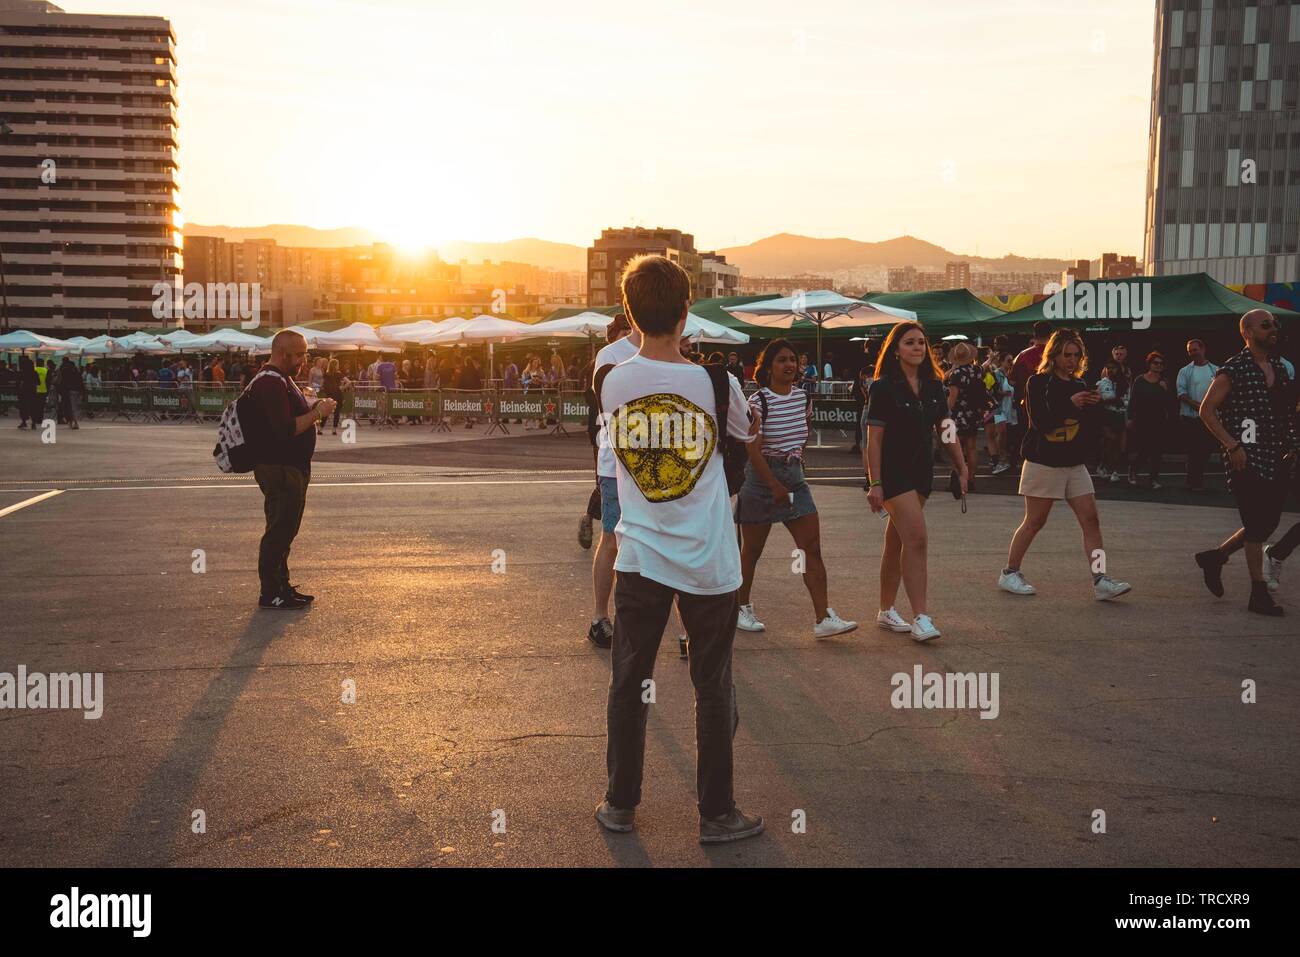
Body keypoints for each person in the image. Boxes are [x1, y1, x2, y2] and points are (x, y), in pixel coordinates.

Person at [595, 253, 763, 844]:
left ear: (627, 313)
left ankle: (620, 803)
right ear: (687, 311)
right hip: (710, 558)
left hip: (639, 554)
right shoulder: (718, 384)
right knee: (712, 686)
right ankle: (717, 813)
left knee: (628, 681)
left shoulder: (611, 382)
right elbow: (745, 434)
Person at [734, 338, 857, 640]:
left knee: (811, 547)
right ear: (769, 367)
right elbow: (753, 450)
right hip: (762, 479)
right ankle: (741, 608)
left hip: (793, 479)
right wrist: (774, 484)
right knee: (751, 552)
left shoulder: (803, 398)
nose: (790, 365)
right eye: (782, 360)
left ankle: (823, 617)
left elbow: (802, 434)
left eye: (793, 360)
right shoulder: (757, 402)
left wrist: (796, 463)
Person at [998, 329, 1131, 601]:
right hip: (1043, 461)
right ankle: (1010, 572)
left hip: (1073, 463)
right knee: (1035, 521)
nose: (1071, 360)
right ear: (1054, 355)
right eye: (1066, 355)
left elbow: (1090, 426)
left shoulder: (1080, 385)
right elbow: (1042, 423)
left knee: (1091, 520)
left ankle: (1100, 579)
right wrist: (1071, 405)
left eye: (1076, 355)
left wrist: (1095, 406)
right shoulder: (1038, 382)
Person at [864, 322, 968, 642]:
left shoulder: (935, 385)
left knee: (897, 541)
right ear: (896, 349)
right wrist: (875, 482)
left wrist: (962, 466)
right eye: (909, 343)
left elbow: (946, 428)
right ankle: (921, 616)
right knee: (917, 540)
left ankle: (885, 610)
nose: (918, 348)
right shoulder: (883, 387)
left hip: (921, 472)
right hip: (893, 473)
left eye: (921, 342)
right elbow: (874, 441)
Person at [1194, 309, 1295, 616]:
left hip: (1276, 455)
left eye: (1274, 324)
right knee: (1255, 524)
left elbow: (1286, 414)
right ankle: (1258, 593)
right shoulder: (1232, 369)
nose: (1273, 328)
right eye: (1266, 325)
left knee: (1267, 524)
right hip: (1243, 458)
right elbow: (1206, 410)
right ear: (1247, 332)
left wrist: (1292, 446)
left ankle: (1215, 557)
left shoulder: (1280, 367)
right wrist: (1231, 445)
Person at [245, 330, 336, 610]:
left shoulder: (281, 380)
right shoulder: (271, 383)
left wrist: (311, 406)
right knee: (279, 531)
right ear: (283, 354)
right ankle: (271, 591)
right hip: (280, 468)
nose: (304, 361)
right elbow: (285, 429)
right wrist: (318, 413)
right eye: (300, 355)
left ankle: (281, 587)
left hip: (288, 468)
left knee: (286, 530)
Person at [586, 315, 641, 647]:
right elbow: (612, 410)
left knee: (655, 543)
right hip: (617, 466)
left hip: (656, 466)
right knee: (612, 538)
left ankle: (670, 628)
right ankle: (599, 617)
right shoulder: (611, 355)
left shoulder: (668, 352)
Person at [943, 341, 989, 492]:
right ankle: (971, 480)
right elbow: (985, 367)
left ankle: (957, 480)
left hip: (958, 415)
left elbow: (952, 397)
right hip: (974, 413)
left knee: (956, 449)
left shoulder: (956, 374)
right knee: (972, 448)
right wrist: (991, 359)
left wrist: (945, 415)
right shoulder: (976, 370)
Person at [1126, 352, 1172, 489]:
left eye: (1161, 364)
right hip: (1142, 419)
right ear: (1149, 364)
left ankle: (1154, 479)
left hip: (1158, 420)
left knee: (1157, 452)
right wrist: (1129, 418)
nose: (1158, 366)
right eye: (1155, 363)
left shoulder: (1165, 382)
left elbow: (1169, 403)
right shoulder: (1140, 380)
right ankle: (1133, 470)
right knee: (1143, 450)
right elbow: (1133, 400)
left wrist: (1166, 390)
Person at [1176, 339, 1218, 492]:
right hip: (1190, 417)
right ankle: (1195, 482)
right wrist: (1200, 407)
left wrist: (1209, 409)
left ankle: (1193, 475)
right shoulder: (1185, 371)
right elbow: (1182, 394)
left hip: (1210, 418)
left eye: (1195, 350)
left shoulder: (1215, 370)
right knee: (1194, 449)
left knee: (1206, 449)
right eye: (1190, 351)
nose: (1193, 353)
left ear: (1203, 349)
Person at [1095, 360, 1128, 482]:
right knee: (1110, 441)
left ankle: (1115, 471)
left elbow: (1127, 401)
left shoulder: (1124, 384)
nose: (1110, 370)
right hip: (1107, 416)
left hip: (1120, 415)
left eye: (1113, 368)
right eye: (1108, 368)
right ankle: (1102, 465)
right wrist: (1114, 400)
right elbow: (1099, 400)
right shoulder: (1101, 383)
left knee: (1120, 445)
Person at [988, 352, 1016, 475]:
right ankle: (1001, 459)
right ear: (1002, 361)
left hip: (1011, 407)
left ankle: (1005, 459)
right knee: (1002, 431)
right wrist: (1002, 393)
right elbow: (991, 391)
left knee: (1007, 433)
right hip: (999, 407)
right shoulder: (995, 374)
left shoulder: (1012, 374)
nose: (1011, 363)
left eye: (1012, 361)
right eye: (1009, 361)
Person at [55, 356, 84, 430]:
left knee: (67, 407)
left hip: (66, 391)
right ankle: (75, 422)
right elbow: (80, 381)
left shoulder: (62, 369)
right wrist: (82, 391)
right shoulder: (76, 371)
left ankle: (71, 422)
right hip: (75, 390)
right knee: (73, 407)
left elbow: (59, 380)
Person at [320, 357, 348, 435]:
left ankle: (321, 429)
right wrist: (342, 387)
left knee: (326, 412)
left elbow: (321, 385)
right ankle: (334, 430)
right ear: (336, 365)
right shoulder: (339, 374)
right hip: (338, 394)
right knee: (337, 412)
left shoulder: (326, 374)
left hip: (329, 395)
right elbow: (348, 382)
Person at [17, 355, 40, 429]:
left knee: (23, 407)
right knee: (33, 407)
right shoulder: (34, 373)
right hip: (33, 391)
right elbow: (38, 382)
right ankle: (33, 423)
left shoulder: (22, 372)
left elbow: (18, 382)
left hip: (24, 391)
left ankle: (24, 421)